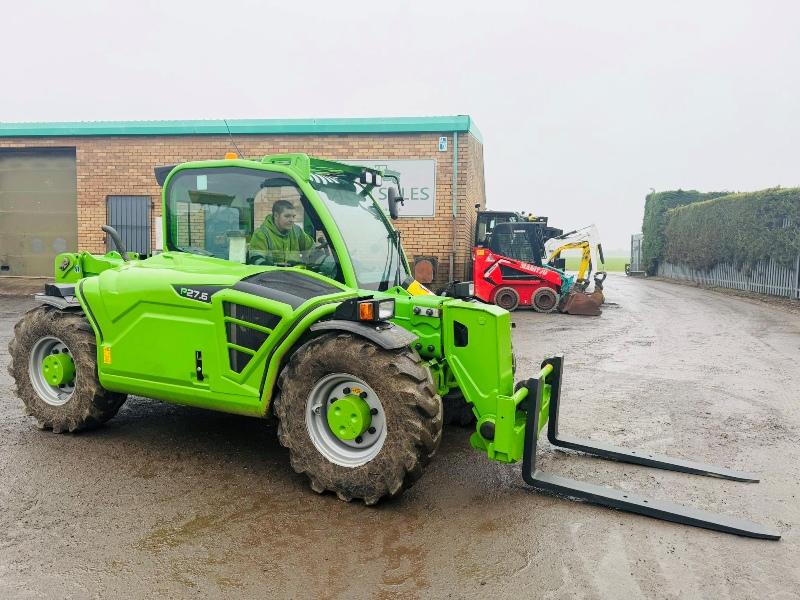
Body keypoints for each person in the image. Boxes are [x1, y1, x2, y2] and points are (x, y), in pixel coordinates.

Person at [249, 199, 315, 265]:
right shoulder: (262, 233)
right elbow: (256, 259)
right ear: (276, 216)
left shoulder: (297, 231)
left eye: (293, 216)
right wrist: (277, 267)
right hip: (271, 274)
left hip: (295, 274)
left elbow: (312, 249)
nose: (292, 220)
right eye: (287, 216)